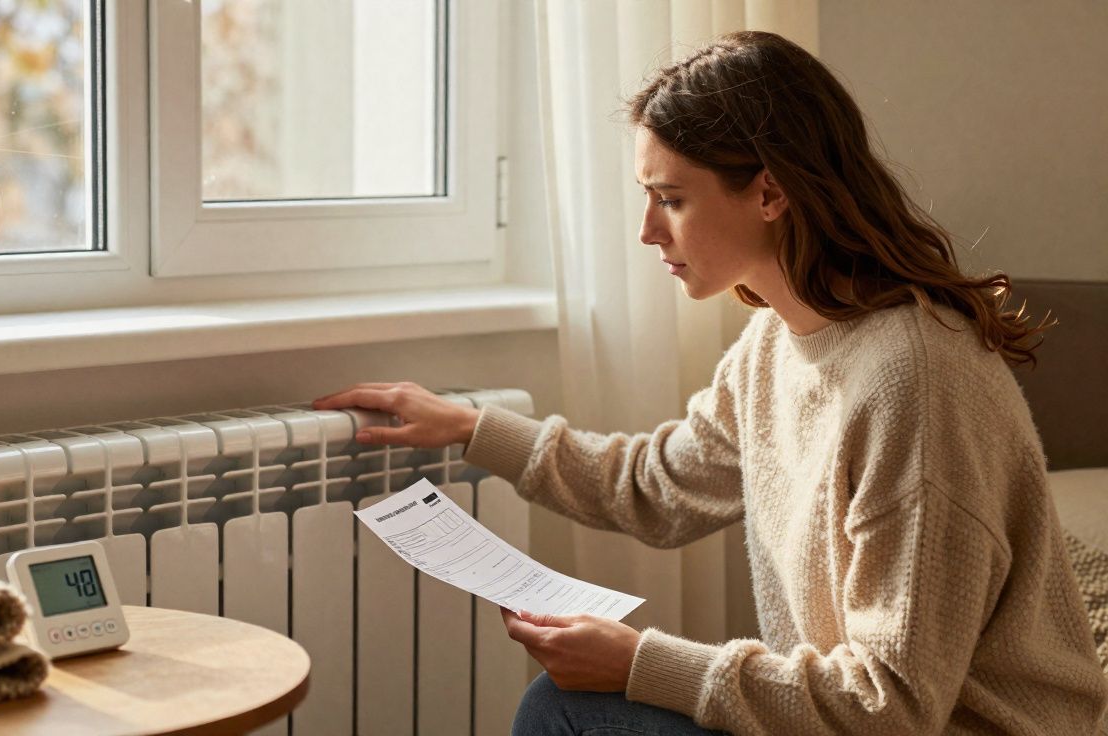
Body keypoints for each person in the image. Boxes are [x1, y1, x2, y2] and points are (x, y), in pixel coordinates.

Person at [313, 31, 1107, 735]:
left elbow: (893, 703)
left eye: (671, 199)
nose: (647, 231)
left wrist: (640, 663)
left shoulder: (916, 383)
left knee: (564, 713)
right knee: (561, 707)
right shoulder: (776, 340)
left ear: (768, 191)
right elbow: (656, 486)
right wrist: (468, 426)